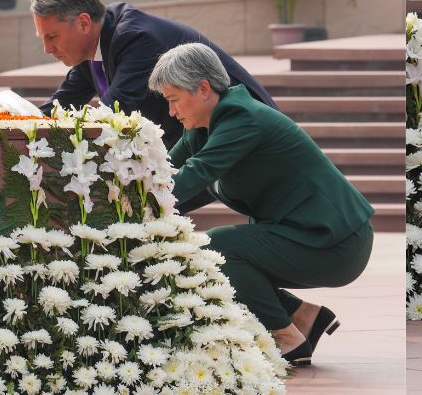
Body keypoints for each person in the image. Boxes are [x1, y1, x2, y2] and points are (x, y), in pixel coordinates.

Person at [150, 42, 374, 365]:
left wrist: (133, 204)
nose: (171, 112)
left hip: (339, 243)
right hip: (307, 234)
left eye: (173, 100)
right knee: (213, 252)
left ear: (202, 89)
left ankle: (287, 338)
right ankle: (303, 316)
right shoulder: (204, 127)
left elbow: (189, 177)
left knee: (217, 246)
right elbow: (166, 171)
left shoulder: (242, 119)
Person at [31, 0, 277, 148]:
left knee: (147, 207)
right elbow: (59, 106)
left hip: (241, 130)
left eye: (52, 36)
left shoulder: (136, 38)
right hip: (189, 138)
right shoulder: (93, 48)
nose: (47, 48)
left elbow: (113, 112)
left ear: (84, 23)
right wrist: (10, 123)